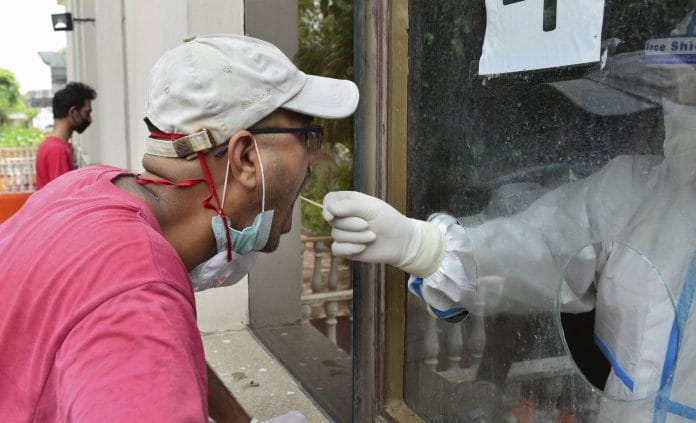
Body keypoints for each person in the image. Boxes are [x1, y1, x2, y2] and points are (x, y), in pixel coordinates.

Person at [323, 10, 696, 423]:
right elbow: (545, 245)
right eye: (680, 86)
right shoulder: (638, 191)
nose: (680, 101)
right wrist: (426, 247)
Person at [0, 34, 358, 422]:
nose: (316, 156)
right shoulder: (138, 300)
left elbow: (164, 346)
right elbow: (141, 334)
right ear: (245, 159)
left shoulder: (87, 186)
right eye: (307, 136)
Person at [35, 81, 97, 189]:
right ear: (73, 112)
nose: (89, 119)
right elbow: (63, 197)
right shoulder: (58, 150)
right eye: (87, 113)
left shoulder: (49, 145)